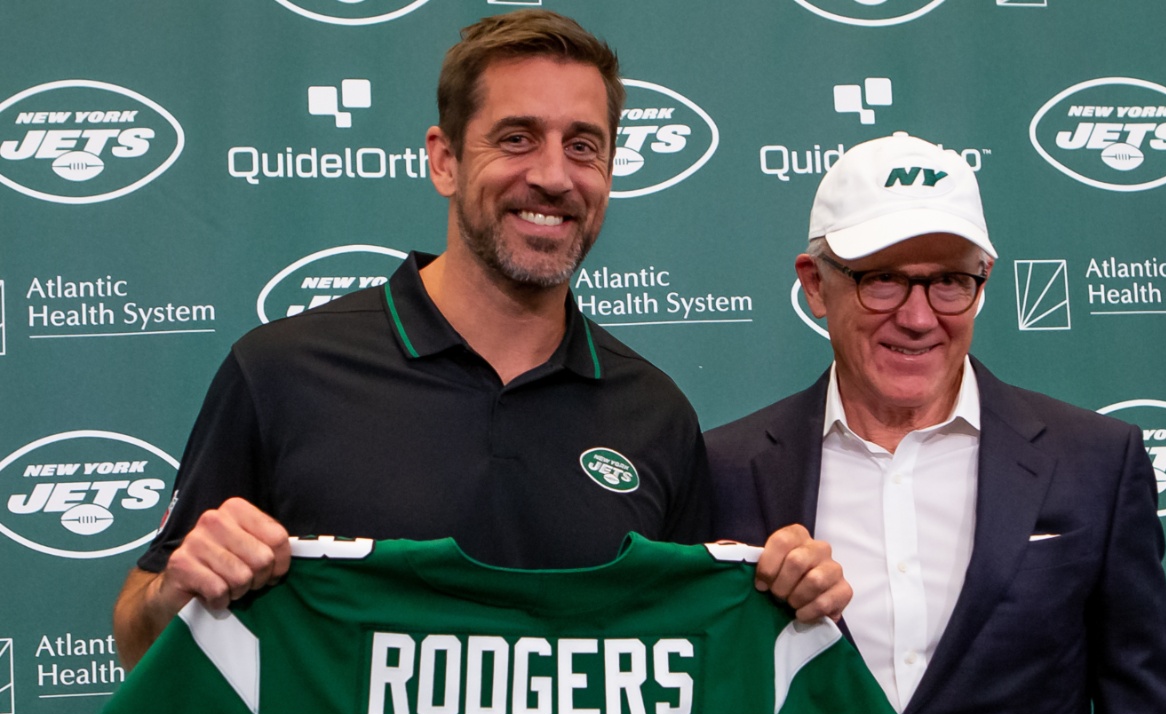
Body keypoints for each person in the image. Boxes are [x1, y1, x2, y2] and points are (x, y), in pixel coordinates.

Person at [112, 10, 848, 670]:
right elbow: (138, 640)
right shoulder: (279, 372)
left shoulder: (654, 414)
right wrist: (177, 587)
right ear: (444, 159)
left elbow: (693, 661)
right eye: (517, 138)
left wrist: (785, 597)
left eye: (584, 146)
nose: (554, 176)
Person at [707, 132, 1166, 714]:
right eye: (881, 278)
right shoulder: (723, 468)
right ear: (815, 283)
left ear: (982, 280)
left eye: (950, 282)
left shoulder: (1097, 461)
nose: (918, 318)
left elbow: (1146, 705)